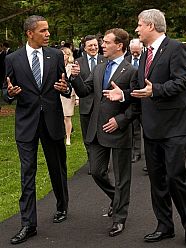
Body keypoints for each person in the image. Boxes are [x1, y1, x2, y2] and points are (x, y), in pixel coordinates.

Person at [103, 9, 186, 246]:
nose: (136, 29)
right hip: (152, 127)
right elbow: (138, 87)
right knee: (157, 180)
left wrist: (155, 90)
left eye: (139, 25)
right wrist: (123, 94)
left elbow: (181, 81)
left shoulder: (177, 49)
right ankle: (164, 226)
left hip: (175, 126)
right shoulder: (145, 54)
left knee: (176, 176)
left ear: (151, 26)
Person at [2, 15, 71, 245]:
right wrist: (9, 94)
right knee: (27, 174)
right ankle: (28, 224)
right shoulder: (12, 59)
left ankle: (62, 206)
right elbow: (6, 89)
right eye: (43, 31)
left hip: (51, 121)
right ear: (29, 33)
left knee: (57, 168)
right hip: (26, 123)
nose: (48, 34)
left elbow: (65, 85)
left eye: (48, 30)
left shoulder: (55, 55)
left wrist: (65, 88)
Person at [70, 28, 137, 237]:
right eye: (103, 42)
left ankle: (119, 218)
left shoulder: (132, 71)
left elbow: (136, 103)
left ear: (119, 45)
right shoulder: (99, 68)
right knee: (97, 172)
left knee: (122, 177)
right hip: (97, 131)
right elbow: (84, 91)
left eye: (107, 42)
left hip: (119, 131)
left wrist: (120, 121)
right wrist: (74, 78)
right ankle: (116, 199)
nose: (102, 45)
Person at [76, 35, 105, 173]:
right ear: (84, 48)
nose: (93, 48)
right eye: (90, 46)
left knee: (102, 134)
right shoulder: (78, 63)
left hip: (103, 104)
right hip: (86, 105)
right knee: (87, 136)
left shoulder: (105, 60)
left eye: (95, 45)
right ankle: (92, 163)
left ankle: (102, 163)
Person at [126, 39, 143, 164]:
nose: (135, 54)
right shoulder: (126, 61)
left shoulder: (147, 60)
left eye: (137, 52)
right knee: (134, 128)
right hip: (132, 99)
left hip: (145, 99)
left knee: (148, 129)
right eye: (133, 52)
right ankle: (136, 152)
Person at [60, 47, 77, 145]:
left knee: (67, 117)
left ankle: (68, 138)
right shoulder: (57, 66)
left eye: (64, 54)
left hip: (69, 95)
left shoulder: (72, 67)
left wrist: (77, 98)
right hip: (58, 94)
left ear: (68, 55)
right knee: (60, 116)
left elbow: (75, 83)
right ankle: (62, 134)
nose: (63, 56)